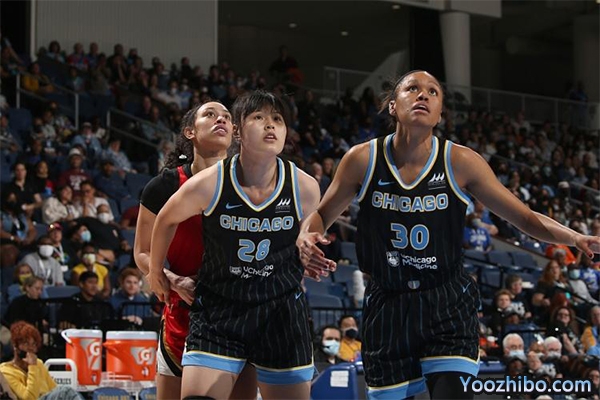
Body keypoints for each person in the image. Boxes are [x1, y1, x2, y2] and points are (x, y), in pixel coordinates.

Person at [296, 70, 600, 399]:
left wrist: (575, 238)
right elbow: (321, 215)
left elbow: (524, 217)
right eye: (412, 88)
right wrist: (306, 236)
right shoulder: (362, 159)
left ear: (440, 114)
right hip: (387, 302)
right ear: (393, 106)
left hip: (447, 300)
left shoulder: (461, 161)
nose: (422, 95)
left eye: (433, 92)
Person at [148, 90, 321, 399]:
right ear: (238, 131)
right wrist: (157, 272)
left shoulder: (305, 187)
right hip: (219, 310)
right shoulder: (211, 181)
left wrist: (308, 248)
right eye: (259, 117)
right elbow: (165, 219)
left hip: (279, 312)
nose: (270, 125)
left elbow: (307, 235)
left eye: (277, 119)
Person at [134, 101, 256, 400]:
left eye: (226, 117)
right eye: (210, 115)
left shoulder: (254, 183)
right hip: (184, 310)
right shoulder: (164, 185)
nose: (221, 119)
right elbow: (142, 252)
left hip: (238, 312)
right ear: (190, 131)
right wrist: (173, 280)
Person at [0, 321, 83, 400]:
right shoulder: (6, 371)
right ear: (15, 346)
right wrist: (32, 367)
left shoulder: (39, 363)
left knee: (67, 393)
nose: (31, 348)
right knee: (66, 391)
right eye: (26, 344)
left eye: (33, 344)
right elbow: (29, 398)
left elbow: (53, 389)